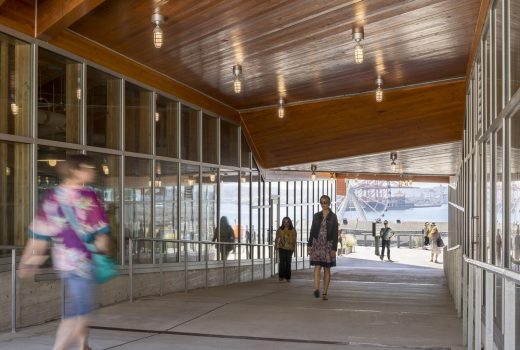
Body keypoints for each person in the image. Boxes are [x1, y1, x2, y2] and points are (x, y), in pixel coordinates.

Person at [20, 154, 111, 350]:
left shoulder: (52, 196)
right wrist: (103, 250)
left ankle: (82, 345)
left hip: (63, 262)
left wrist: (29, 261)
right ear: (76, 170)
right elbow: (101, 236)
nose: (92, 171)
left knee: (79, 303)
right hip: (83, 262)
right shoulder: (89, 196)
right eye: (88, 167)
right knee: (80, 311)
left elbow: (40, 233)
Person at [307, 195, 338, 301]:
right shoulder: (316, 216)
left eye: (325, 202)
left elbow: (335, 233)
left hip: (328, 245)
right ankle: (316, 289)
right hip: (317, 244)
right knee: (317, 267)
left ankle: (324, 292)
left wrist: (334, 249)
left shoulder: (333, 217)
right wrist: (309, 245)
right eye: (321, 202)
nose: (323, 204)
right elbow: (312, 231)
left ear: (329, 203)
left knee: (326, 269)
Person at [275, 217, 297, 282]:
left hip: (290, 248)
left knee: (288, 262)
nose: (286, 223)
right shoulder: (280, 229)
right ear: (283, 222)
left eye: (287, 222)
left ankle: (288, 277)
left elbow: (294, 239)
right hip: (281, 247)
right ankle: (281, 276)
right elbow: (276, 238)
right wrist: (275, 246)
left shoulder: (293, 230)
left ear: (289, 222)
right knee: (282, 262)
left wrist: (294, 247)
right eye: (284, 222)